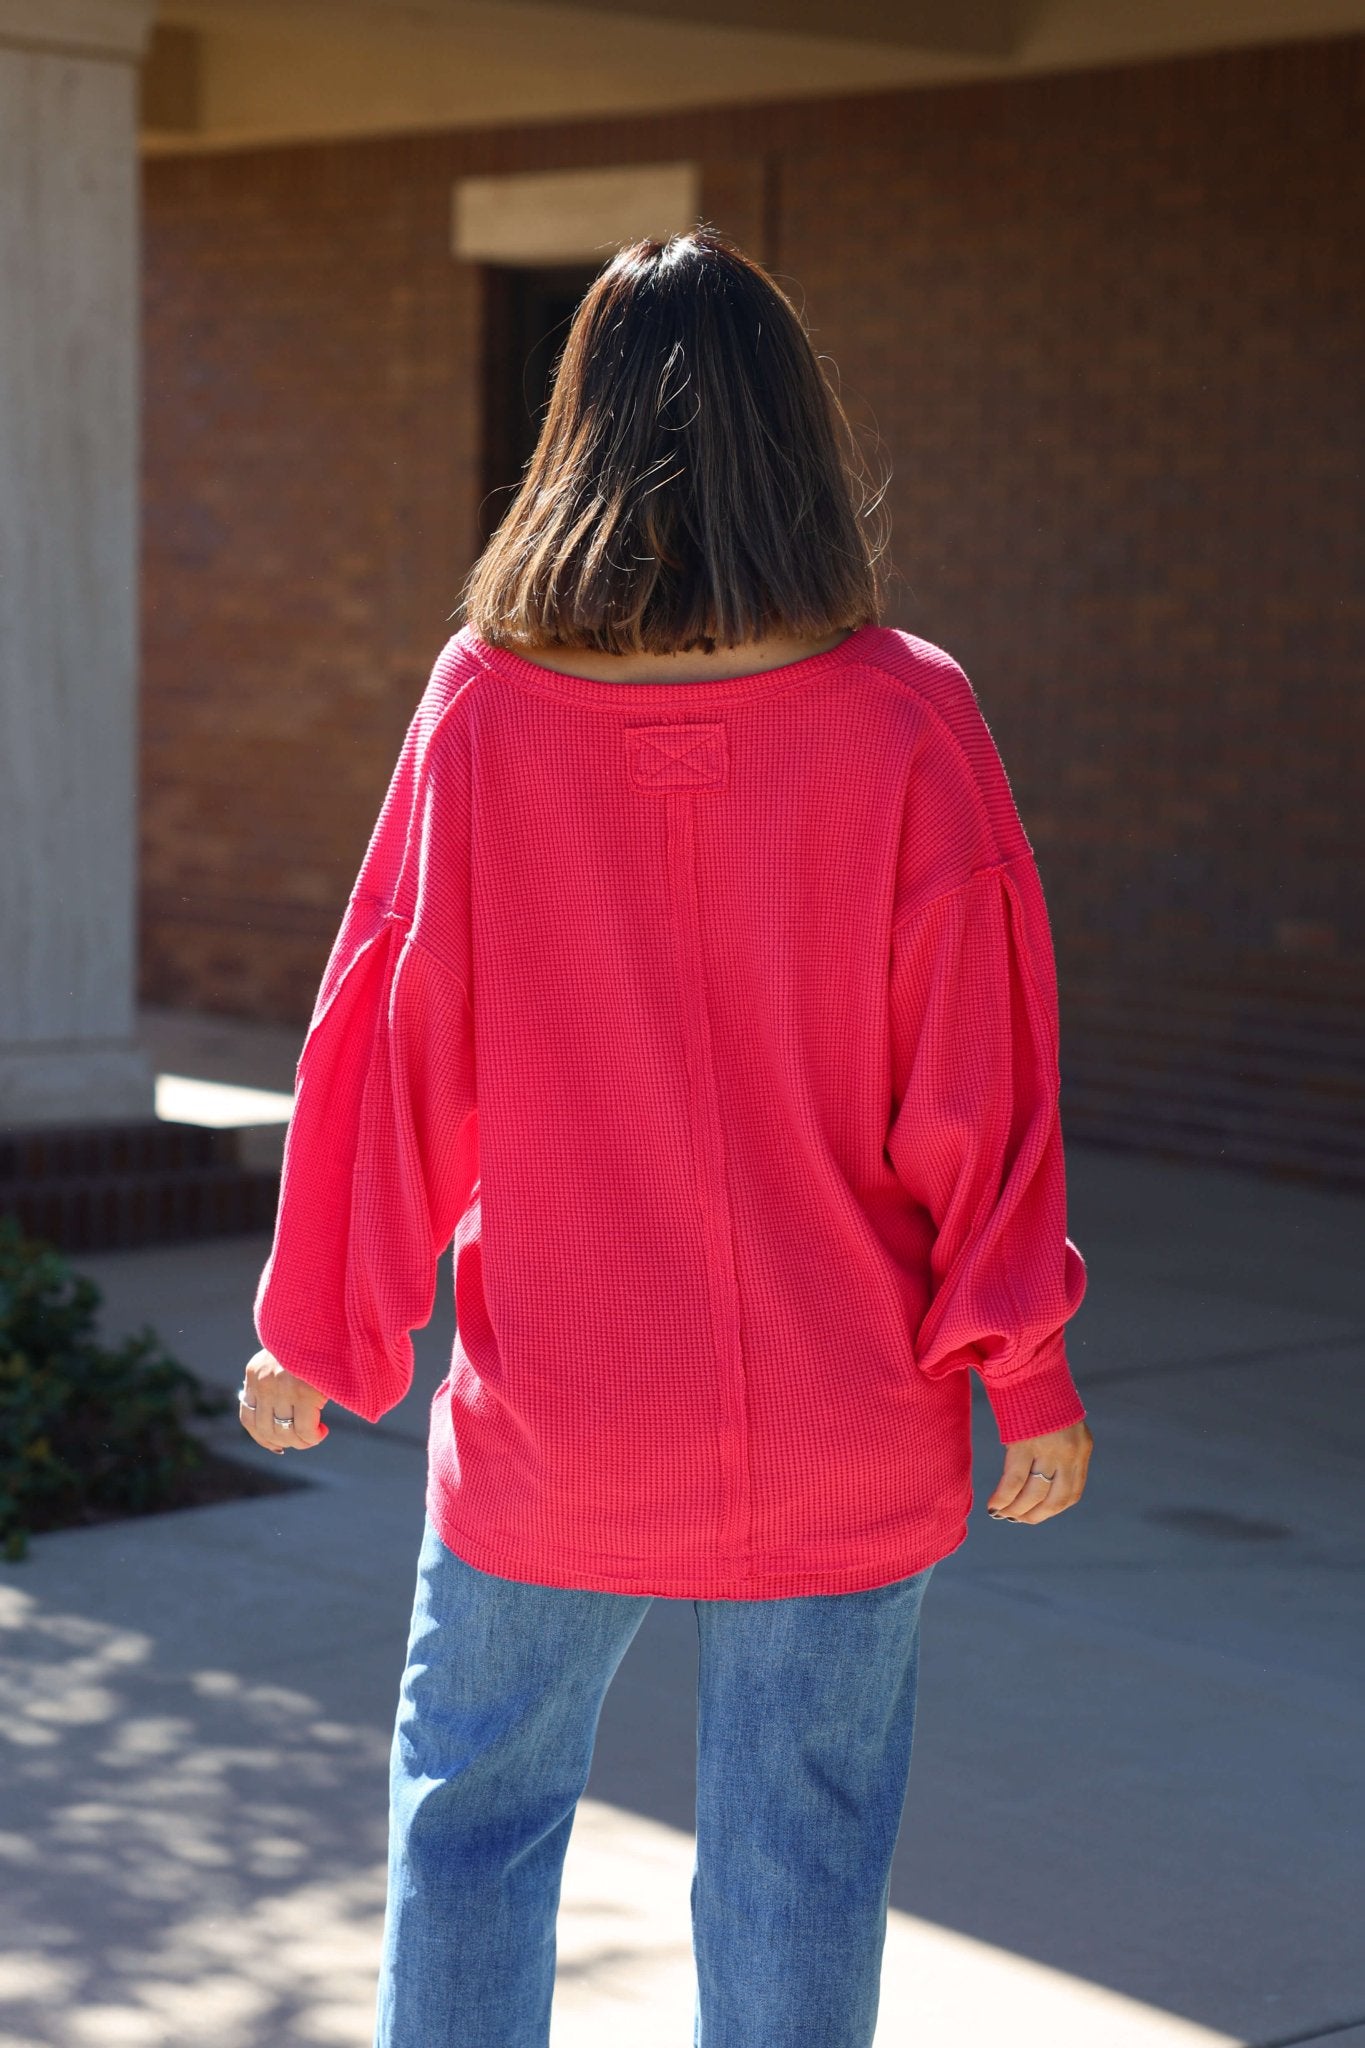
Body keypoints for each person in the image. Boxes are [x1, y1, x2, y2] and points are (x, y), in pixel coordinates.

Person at [239, 225, 1093, 2048]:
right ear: (799, 435)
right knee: (801, 1849)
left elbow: (386, 1045)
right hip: (840, 1414)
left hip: (560, 1411)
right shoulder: (905, 717)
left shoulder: (480, 709)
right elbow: (981, 1079)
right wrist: (1023, 1367)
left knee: (470, 1822)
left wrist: (323, 1328)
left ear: (571, 432)